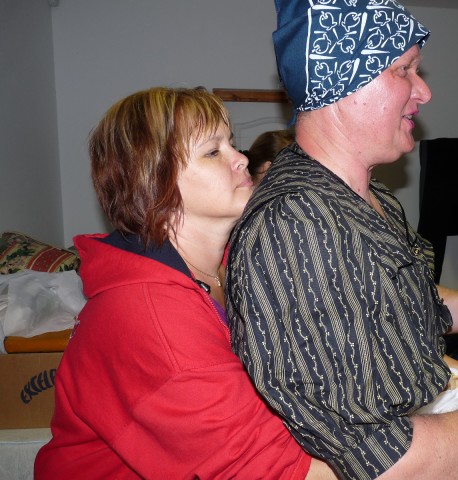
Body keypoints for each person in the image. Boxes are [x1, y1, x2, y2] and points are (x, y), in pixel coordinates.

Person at [226, 2, 458, 479]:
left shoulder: (366, 196)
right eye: (403, 70)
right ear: (341, 83)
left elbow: (403, 303)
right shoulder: (297, 225)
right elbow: (383, 464)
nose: (424, 91)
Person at [34, 87, 335, 480]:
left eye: (231, 143)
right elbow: (280, 473)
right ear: (153, 181)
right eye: (213, 152)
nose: (241, 158)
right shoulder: (150, 317)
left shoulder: (232, 266)